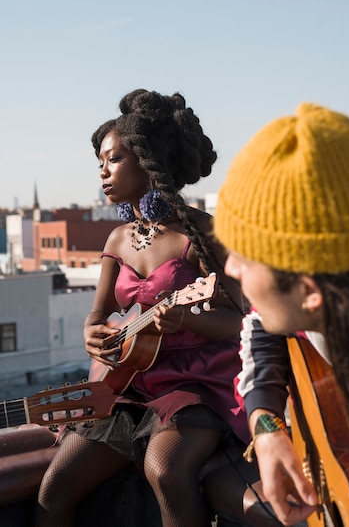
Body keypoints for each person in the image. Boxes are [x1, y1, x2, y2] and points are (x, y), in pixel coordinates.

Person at [34, 89, 250, 527]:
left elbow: (242, 322)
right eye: (100, 162)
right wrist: (91, 335)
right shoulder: (117, 239)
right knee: (54, 489)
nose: (103, 172)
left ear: (147, 160)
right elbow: (98, 315)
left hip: (197, 383)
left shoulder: (201, 233)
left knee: (166, 471)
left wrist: (187, 318)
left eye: (113, 159)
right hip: (129, 383)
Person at [214, 101, 349, 526]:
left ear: (309, 291)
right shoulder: (346, 298)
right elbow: (259, 324)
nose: (230, 268)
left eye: (245, 258)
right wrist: (267, 426)